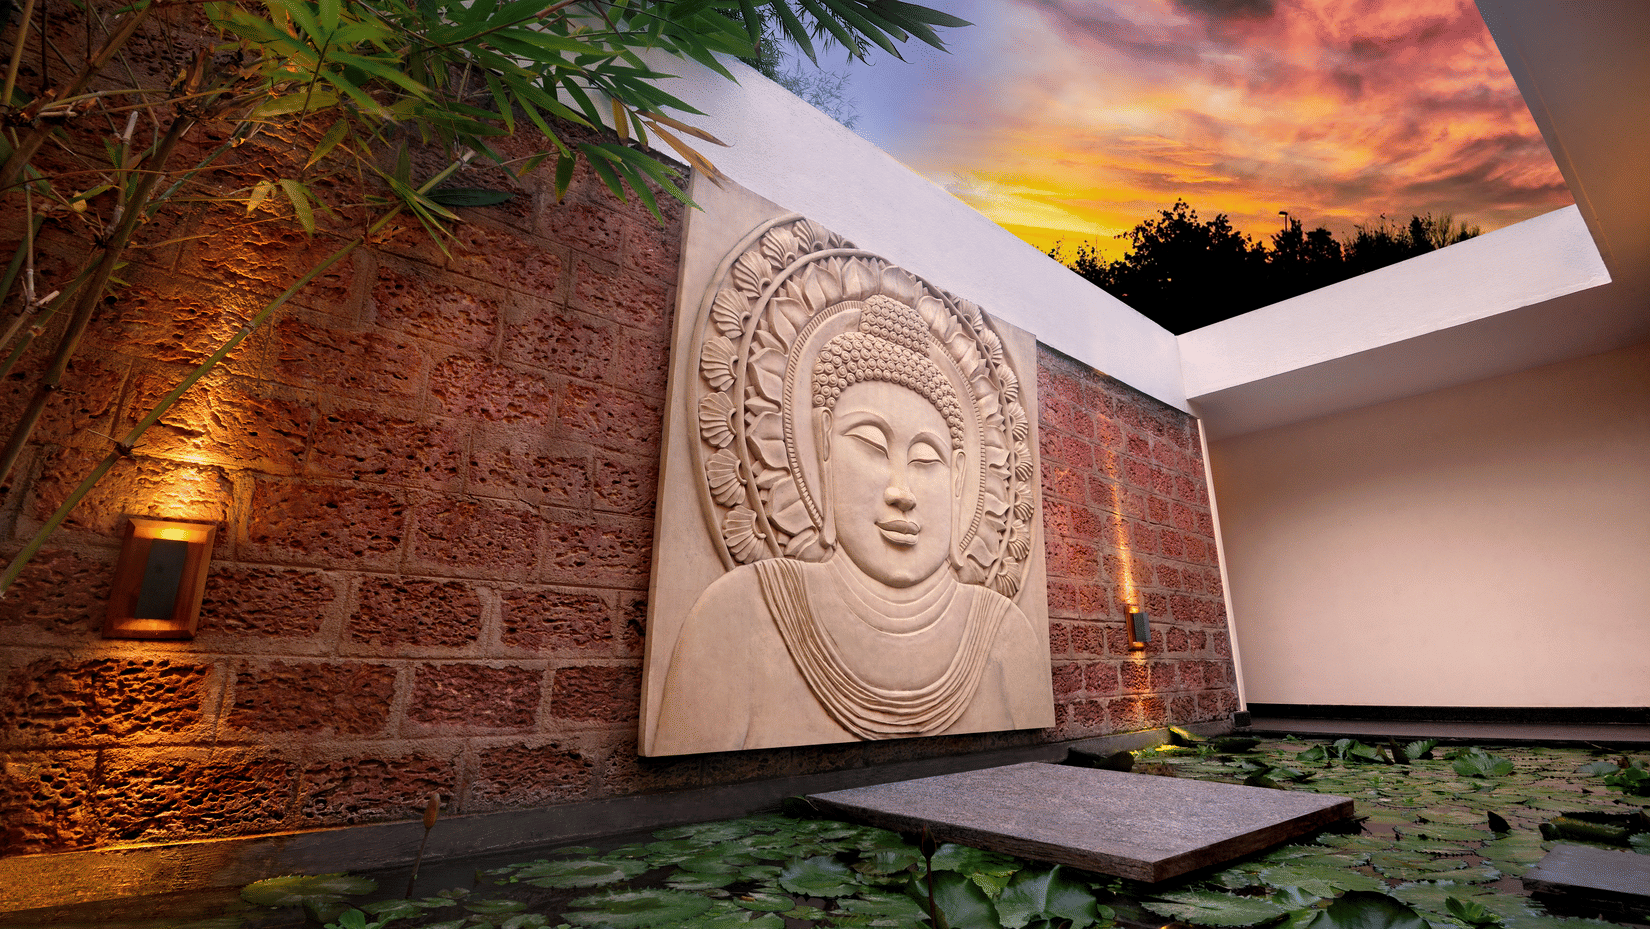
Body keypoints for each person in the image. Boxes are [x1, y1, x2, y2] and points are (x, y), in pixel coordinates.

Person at [652, 297, 1046, 754]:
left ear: (958, 475)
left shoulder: (1006, 634)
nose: (902, 490)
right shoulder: (736, 616)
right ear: (821, 444)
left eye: (924, 459)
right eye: (871, 445)